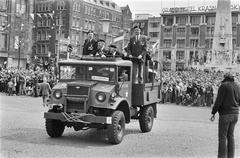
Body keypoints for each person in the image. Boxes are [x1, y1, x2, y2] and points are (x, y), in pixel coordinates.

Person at [211, 72, 240, 158]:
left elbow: (218, 101)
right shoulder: (238, 86)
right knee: (230, 136)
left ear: (225, 78)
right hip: (235, 114)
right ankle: (231, 156)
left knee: (222, 137)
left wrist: (213, 112)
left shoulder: (224, 86)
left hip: (225, 114)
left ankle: (222, 156)